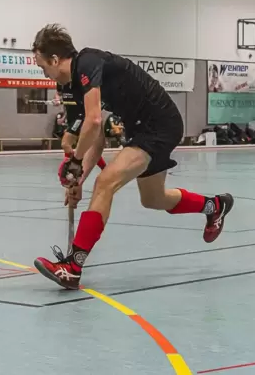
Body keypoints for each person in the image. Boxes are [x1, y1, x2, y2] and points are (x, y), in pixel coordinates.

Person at [31, 24, 234, 290]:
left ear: (55, 59)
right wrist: (78, 178)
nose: (45, 74)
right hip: (139, 128)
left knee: (106, 183)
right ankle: (214, 206)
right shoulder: (72, 88)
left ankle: (73, 267)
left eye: (43, 67)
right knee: (153, 199)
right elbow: (96, 138)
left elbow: (92, 122)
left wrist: (76, 163)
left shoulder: (88, 62)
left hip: (160, 124)